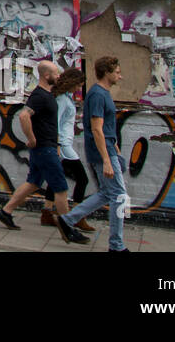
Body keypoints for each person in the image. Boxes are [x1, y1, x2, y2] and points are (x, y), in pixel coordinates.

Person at [0, 60, 90, 244]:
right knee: (61, 188)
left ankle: (5, 212)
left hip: (45, 148)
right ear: (47, 76)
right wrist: (31, 139)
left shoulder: (47, 95)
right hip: (45, 148)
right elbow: (24, 116)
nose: (59, 76)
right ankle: (67, 228)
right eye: (56, 73)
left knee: (33, 183)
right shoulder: (39, 96)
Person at [60, 55, 129, 252]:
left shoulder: (101, 93)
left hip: (107, 149)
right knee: (119, 196)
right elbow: (97, 129)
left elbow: (104, 128)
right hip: (102, 152)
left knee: (109, 193)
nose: (120, 76)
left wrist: (113, 145)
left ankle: (67, 219)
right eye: (116, 72)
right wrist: (107, 159)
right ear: (106, 73)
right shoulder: (98, 94)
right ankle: (116, 246)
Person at [40, 67, 94, 232]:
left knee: (56, 177)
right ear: (71, 82)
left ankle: (47, 212)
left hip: (64, 144)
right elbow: (54, 123)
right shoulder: (62, 99)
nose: (79, 89)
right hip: (63, 146)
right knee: (83, 179)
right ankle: (77, 216)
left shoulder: (66, 98)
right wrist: (56, 145)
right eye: (78, 85)